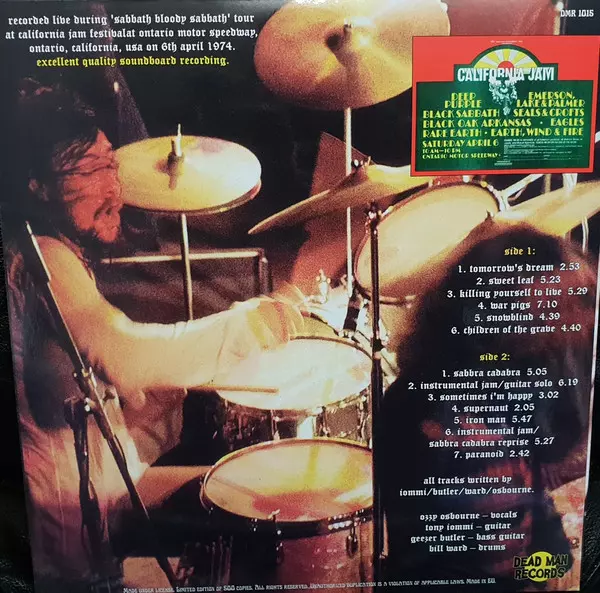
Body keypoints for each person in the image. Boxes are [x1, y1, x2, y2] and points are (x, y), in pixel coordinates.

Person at [2, 82, 303, 592]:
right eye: (90, 171)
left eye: (111, 164)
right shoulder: (40, 260)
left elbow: (69, 401)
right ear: (38, 187)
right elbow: (124, 356)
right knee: (269, 505)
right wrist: (257, 323)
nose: (114, 189)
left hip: (97, 497)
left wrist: (156, 411)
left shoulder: (50, 251)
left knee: (248, 482)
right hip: (71, 551)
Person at [382, 221, 596, 591]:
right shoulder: (421, 409)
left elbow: (536, 505)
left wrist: (550, 566)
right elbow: (431, 563)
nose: (571, 322)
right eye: (556, 306)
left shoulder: (513, 382)